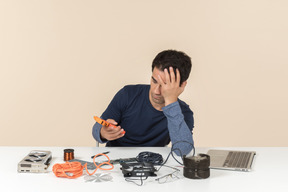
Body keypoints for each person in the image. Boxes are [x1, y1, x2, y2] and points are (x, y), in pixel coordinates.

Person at [92, 50, 194, 156]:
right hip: (115, 159)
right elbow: (96, 129)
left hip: (152, 162)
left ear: (181, 85)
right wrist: (103, 132)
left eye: (164, 86)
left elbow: (182, 150)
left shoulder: (183, 112)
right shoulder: (128, 94)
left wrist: (171, 103)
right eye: (154, 81)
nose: (156, 91)